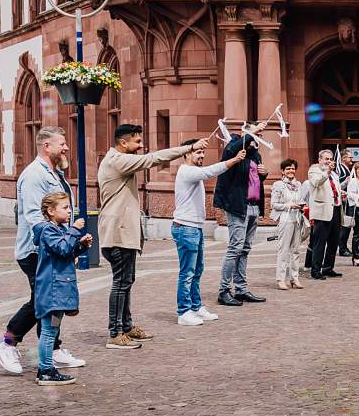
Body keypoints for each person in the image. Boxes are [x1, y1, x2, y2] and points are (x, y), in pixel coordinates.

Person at [98, 125, 207, 349]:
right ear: (123, 143)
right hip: (117, 233)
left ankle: (126, 327)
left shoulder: (118, 159)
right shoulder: (117, 160)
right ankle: (115, 333)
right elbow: (153, 159)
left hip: (123, 233)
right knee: (120, 283)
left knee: (126, 282)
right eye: (136, 141)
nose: (140, 145)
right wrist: (190, 147)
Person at [0, 126, 84, 375]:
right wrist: (59, 246)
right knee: (42, 300)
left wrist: (70, 248)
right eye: (62, 144)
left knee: (52, 299)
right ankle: (8, 344)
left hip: (53, 249)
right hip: (36, 251)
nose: (66, 148)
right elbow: (36, 217)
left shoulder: (55, 174)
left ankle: (53, 350)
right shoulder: (35, 174)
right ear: (46, 146)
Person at [173, 140, 245, 326]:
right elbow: (210, 172)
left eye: (203, 153)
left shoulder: (192, 172)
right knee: (187, 273)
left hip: (193, 228)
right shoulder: (187, 171)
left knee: (196, 271)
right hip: (186, 228)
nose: (201, 156)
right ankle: (183, 312)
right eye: (198, 152)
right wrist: (234, 160)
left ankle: (195, 307)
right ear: (187, 154)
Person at [32, 193, 93, 386]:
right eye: (65, 208)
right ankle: (45, 370)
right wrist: (75, 231)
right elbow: (63, 248)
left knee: (52, 329)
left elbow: (66, 253)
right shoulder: (48, 231)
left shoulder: (58, 229)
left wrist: (81, 246)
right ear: (51, 211)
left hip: (58, 288)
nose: (69, 211)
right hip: (52, 290)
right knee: (49, 331)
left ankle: (47, 368)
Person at [214, 123, 269, 308]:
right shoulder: (235, 147)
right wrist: (251, 133)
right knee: (235, 248)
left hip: (253, 207)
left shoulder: (256, 155)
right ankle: (224, 291)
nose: (258, 136)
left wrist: (264, 174)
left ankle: (241, 289)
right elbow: (230, 150)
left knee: (245, 249)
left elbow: (253, 180)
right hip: (238, 206)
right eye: (255, 132)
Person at [306, 149, 345, 280]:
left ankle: (328, 268)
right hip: (322, 211)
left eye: (330, 159)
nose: (329, 161)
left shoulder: (334, 175)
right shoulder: (314, 170)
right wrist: (327, 172)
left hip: (336, 210)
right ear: (320, 160)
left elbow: (334, 189)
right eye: (326, 159)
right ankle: (316, 270)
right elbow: (316, 183)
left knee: (334, 242)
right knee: (319, 242)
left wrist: (341, 194)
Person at [270, 158, 307, 290]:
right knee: (284, 250)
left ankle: (294, 278)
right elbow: (273, 204)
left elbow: (301, 199)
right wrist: (288, 205)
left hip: (297, 219)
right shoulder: (278, 185)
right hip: (285, 219)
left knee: (296, 250)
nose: (291, 171)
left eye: (292, 168)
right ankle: (281, 278)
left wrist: (303, 206)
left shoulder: (298, 185)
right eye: (288, 169)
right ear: (283, 171)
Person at [335, 149, 354, 256]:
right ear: (343, 158)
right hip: (343, 202)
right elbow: (337, 186)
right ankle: (342, 248)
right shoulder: (340, 170)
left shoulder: (346, 169)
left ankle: (343, 247)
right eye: (350, 157)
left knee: (346, 225)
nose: (352, 159)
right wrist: (347, 182)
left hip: (347, 201)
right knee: (345, 225)